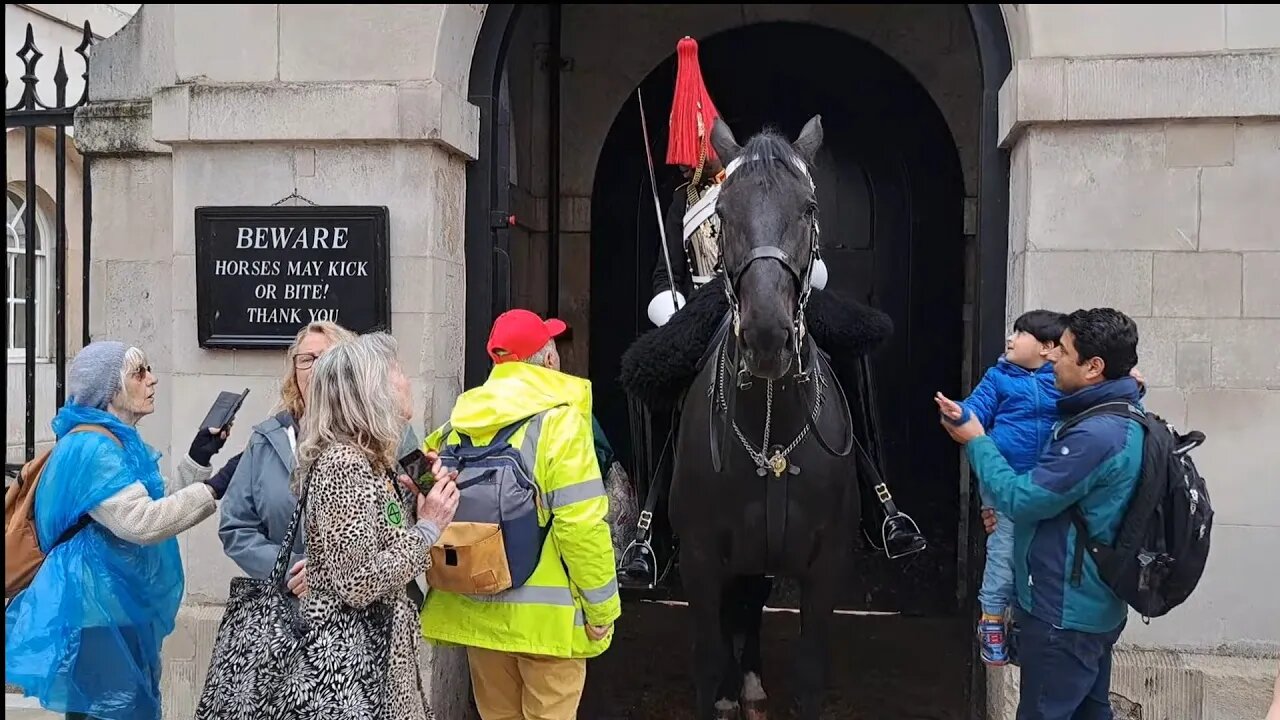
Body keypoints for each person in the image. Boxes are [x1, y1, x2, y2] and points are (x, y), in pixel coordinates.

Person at [619, 34, 924, 588]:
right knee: (647, 374)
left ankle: (881, 499)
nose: (703, 153)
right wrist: (671, 303)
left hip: (782, 295)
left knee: (853, 349)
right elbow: (668, 272)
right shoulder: (683, 201)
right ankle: (651, 527)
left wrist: (803, 283)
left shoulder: (772, 183)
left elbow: (803, 246)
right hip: (709, 302)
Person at [5, 341, 236, 720]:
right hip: (97, 616)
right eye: (139, 373)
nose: (153, 380)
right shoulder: (92, 448)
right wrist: (213, 489)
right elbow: (141, 522)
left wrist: (199, 456)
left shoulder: (114, 442)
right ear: (109, 390)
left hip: (114, 611)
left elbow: (156, 502)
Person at [936, 308, 1145, 719]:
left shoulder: (1093, 435)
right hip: (1093, 608)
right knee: (1090, 710)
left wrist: (977, 441)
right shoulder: (1119, 415)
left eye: (1063, 352)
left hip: (1064, 616)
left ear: (1093, 367)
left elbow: (1024, 499)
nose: (1053, 359)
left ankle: (992, 620)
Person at [420, 308, 621, 720]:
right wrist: (601, 609)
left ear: (497, 363)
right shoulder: (562, 423)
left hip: (479, 608)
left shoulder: (458, 425)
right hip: (548, 625)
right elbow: (581, 527)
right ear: (548, 360)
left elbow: (420, 487)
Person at [294, 332, 458, 720]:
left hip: (380, 656)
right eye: (397, 372)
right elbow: (358, 581)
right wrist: (427, 529)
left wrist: (430, 493)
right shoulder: (344, 464)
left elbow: (423, 502)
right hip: (353, 669)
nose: (407, 381)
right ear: (374, 390)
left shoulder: (381, 453)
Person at [218, 321, 420, 599]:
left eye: (326, 357)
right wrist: (290, 570)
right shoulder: (267, 439)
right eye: (306, 359)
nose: (316, 367)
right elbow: (236, 525)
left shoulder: (392, 434)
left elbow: (408, 516)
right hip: (289, 613)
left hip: (370, 615)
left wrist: (327, 572)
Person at [951, 310, 1067, 666]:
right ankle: (991, 619)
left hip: (1048, 486)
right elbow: (974, 410)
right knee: (1003, 550)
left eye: (1021, 333)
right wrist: (956, 414)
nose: (1011, 338)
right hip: (1003, 483)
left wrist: (1135, 385)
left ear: (1048, 348)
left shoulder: (1062, 381)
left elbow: (1102, 401)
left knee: (1036, 556)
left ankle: (1021, 621)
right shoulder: (998, 376)